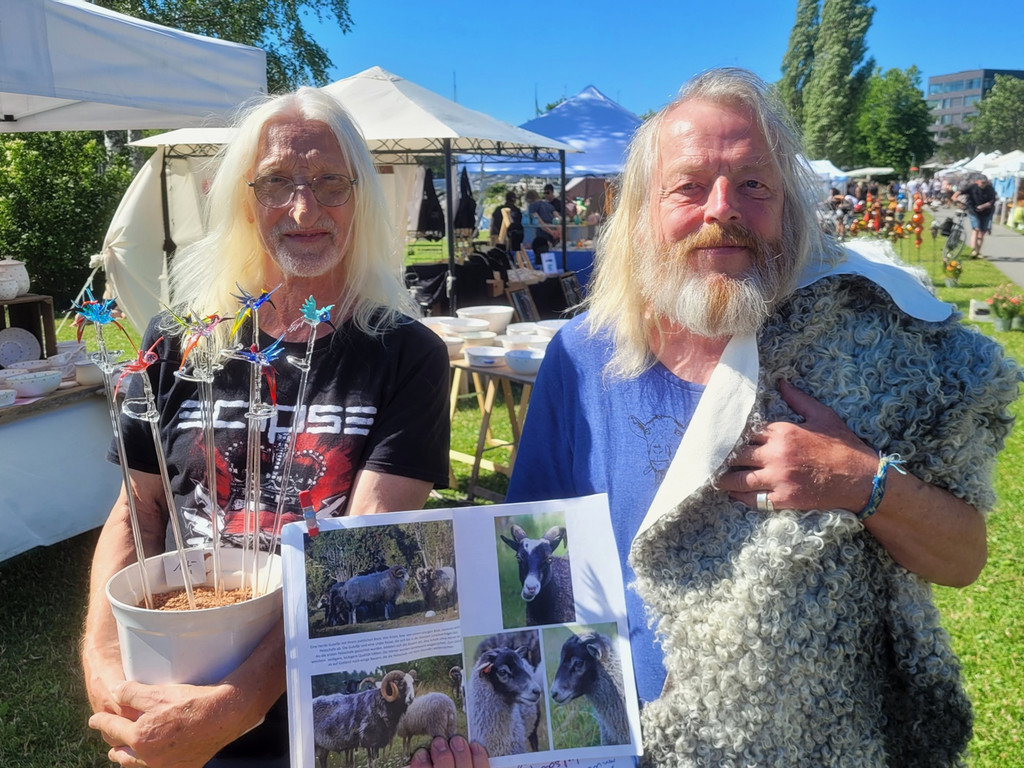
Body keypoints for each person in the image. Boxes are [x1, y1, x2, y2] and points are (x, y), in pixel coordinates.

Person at [507, 68, 1020, 764]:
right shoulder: (580, 359)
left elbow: (963, 559)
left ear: (788, 209)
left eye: (755, 185)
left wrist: (860, 479)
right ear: (642, 213)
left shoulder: (857, 355)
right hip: (626, 739)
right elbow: (524, 577)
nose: (724, 209)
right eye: (689, 187)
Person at [82, 87, 451, 768]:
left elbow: (359, 544)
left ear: (362, 197)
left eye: (329, 183)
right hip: (171, 676)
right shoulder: (177, 343)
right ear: (241, 200)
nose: (303, 209)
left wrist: (236, 704)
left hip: (322, 707)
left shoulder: (407, 356)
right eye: (276, 182)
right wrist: (106, 671)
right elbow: (137, 511)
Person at [954, 173, 998, 257]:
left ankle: (978, 251)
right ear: (977, 181)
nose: (983, 184)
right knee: (976, 229)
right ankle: (974, 250)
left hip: (986, 212)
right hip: (973, 211)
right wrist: (955, 197)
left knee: (981, 233)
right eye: (982, 182)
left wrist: (983, 206)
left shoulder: (990, 189)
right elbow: (960, 191)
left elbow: (993, 201)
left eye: (985, 182)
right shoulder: (972, 187)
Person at [525, 189, 561, 257]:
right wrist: (558, 232)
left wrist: (551, 232)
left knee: (543, 257)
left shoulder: (532, 206)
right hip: (554, 235)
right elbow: (558, 219)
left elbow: (538, 220)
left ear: (529, 199)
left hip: (542, 235)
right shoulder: (549, 205)